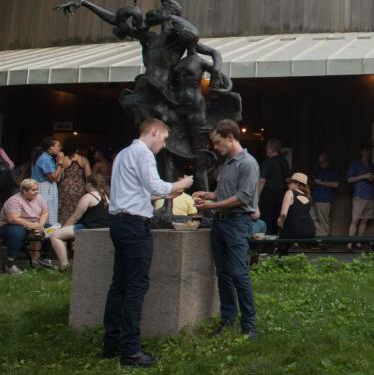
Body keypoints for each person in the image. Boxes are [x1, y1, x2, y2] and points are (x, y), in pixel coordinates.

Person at [103, 119, 193, 367]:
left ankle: (111, 343)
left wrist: (165, 192)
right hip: (135, 226)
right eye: (163, 139)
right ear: (153, 132)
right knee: (136, 287)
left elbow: (139, 190)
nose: (164, 145)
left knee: (119, 284)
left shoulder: (123, 154)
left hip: (119, 224)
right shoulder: (143, 154)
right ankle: (130, 351)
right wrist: (181, 185)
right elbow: (155, 185)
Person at [192, 119, 259, 339]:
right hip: (220, 224)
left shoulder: (247, 163)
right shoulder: (227, 163)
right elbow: (223, 195)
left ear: (231, 138)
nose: (215, 147)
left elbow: (243, 197)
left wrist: (212, 205)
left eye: (218, 142)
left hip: (237, 223)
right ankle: (228, 321)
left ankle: (249, 327)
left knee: (239, 274)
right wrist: (206, 195)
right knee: (223, 274)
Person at [50, 172, 113, 271]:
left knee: (55, 235)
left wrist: (64, 228)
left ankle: (64, 265)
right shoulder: (106, 196)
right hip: (105, 227)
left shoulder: (88, 197)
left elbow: (75, 217)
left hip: (89, 228)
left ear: (88, 184)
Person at [0, 178, 54, 275]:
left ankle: (42, 257)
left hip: (33, 224)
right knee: (17, 231)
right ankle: (10, 263)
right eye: (33, 190)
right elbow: (13, 219)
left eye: (37, 189)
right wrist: (33, 225)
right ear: (24, 191)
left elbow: (45, 212)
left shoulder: (39, 198)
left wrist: (40, 225)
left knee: (51, 228)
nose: (36, 192)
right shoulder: (14, 200)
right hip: (10, 226)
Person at [346, 145, 374, 247]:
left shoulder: (372, 166)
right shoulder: (355, 164)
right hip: (359, 195)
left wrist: (372, 179)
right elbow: (349, 179)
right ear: (361, 152)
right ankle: (350, 244)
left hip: (370, 195)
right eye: (366, 151)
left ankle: (359, 242)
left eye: (369, 151)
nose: (368, 153)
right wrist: (364, 176)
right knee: (355, 219)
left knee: (365, 220)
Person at [277, 172, 316, 255]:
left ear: (297, 183)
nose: (288, 184)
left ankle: (282, 260)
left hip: (294, 231)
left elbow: (283, 214)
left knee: (283, 234)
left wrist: (281, 222)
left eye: (291, 182)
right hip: (309, 231)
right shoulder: (307, 197)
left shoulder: (290, 192)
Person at [58, 140, 92, 227]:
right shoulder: (83, 159)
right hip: (79, 188)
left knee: (65, 209)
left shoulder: (63, 159)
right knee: (78, 209)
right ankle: (76, 229)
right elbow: (89, 177)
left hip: (65, 188)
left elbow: (59, 176)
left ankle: (63, 230)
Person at [258, 139, 289, 236]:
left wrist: (257, 196)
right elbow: (288, 180)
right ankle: (275, 243)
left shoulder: (268, 162)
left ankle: (266, 246)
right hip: (281, 195)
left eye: (267, 148)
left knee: (266, 220)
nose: (266, 150)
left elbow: (262, 180)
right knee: (277, 220)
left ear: (271, 149)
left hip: (268, 196)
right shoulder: (284, 162)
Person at [32, 136, 65, 225]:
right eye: (58, 146)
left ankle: (49, 235)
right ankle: (46, 234)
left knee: (51, 212)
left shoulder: (48, 157)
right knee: (47, 213)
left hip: (49, 186)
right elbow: (54, 177)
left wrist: (59, 164)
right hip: (45, 188)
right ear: (51, 148)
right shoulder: (45, 158)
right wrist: (60, 162)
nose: (60, 148)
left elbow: (57, 179)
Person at [310, 151, 340, 237]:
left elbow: (336, 184)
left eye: (322, 162)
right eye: (319, 162)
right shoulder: (318, 170)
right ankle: (323, 237)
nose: (320, 164)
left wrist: (322, 183)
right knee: (312, 219)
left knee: (323, 221)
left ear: (327, 161)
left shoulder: (333, 170)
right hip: (314, 198)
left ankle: (324, 241)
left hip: (325, 199)